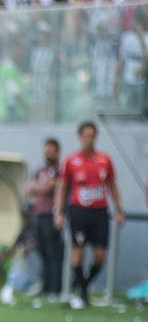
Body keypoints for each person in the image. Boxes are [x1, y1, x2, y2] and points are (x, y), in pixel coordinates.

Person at [54, 121, 125, 309]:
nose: (89, 139)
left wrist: (119, 209)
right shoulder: (71, 161)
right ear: (80, 137)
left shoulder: (105, 160)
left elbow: (112, 185)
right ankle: (83, 294)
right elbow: (62, 187)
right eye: (86, 135)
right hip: (78, 211)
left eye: (92, 135)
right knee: (78, 254)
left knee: (100, 256)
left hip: (100, 212)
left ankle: (81, 285)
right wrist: (59, 212)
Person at [25, 138, 63, 300]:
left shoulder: (60, 170)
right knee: (43, 253)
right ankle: (46, 286)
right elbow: (28, 188)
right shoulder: (39, 170)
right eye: (46, 150)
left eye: (51, 150)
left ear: (57, 152)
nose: (48, 153)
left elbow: (50, 188)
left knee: (54, 253)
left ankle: (56, 288)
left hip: (51, 216)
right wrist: (40, 187)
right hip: (38, 216)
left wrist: (39, 188)